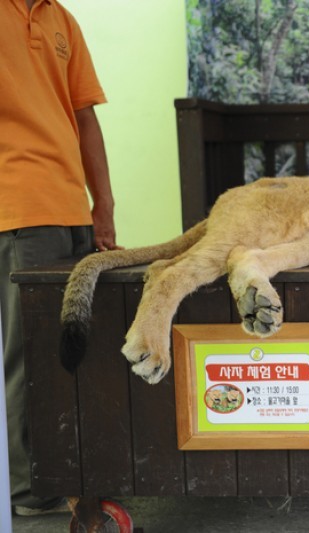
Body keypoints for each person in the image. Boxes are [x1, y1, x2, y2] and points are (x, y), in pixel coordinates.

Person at [0, 0, 120, 515]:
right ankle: (28, 491)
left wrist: (104, 206)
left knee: (78, 347)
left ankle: (70, 473)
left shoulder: (60, 19)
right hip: (18, 209)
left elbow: (84, 116)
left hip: (71, 208)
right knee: (27, 355)